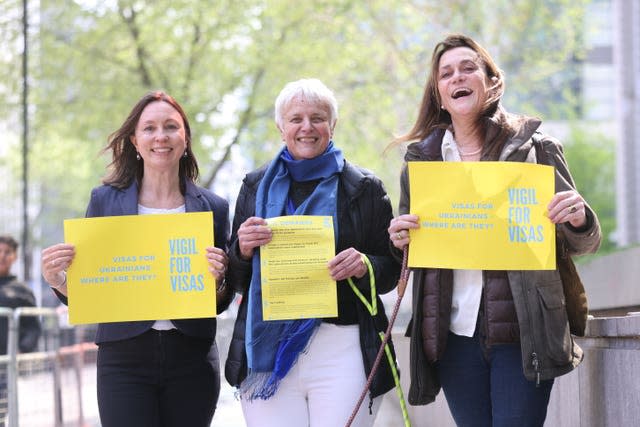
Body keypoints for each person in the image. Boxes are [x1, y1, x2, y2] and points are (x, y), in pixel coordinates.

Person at [387, 34, 602, 427]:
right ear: (438, 93)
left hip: (525, 333)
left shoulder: (536, 149)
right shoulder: (422, 164)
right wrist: (400, 237)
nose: (457, 78)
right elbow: (409, 254)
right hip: (452, 336)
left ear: (490, 79)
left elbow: (586, 240)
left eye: (468, 68)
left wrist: (578, 217)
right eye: (446, 73)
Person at [40, 91, 232, 427]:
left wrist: (219, 278)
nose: (161, 136)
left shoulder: (213, 207)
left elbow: (219, 301)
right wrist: (58, 280)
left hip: (192, 358)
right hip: (124, 359)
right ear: (135, 140)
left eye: (171, 127)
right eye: (150, 128)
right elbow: (93, 292)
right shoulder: (104, 202)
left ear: (185, 137)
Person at [224, 78, 400, 427]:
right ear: (281, 127)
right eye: (296, 119)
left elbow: (392, 270)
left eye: (318, 118)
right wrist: (242, 250)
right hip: (268, 348)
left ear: (332, 126)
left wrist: (364, 265)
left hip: (343, 345)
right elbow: (237, 280)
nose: (307, 127)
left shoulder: (364, 187)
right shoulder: (254, 186)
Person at [0, 235, 41, 425]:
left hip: (4, 365)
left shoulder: (21, 291)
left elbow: (33, 327)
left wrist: (21, 351)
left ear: (15, 256)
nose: (2, 256)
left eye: (7, 252)